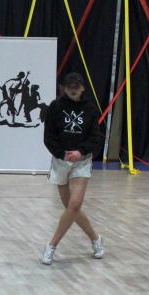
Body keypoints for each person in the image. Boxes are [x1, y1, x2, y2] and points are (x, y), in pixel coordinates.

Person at [41, 71, 105, 265]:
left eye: (77, 86)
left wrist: (80, 151)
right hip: (60, 161)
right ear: (64, 88)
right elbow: (48, 136)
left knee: (75, 205)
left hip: (82, 161)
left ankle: (52, 245)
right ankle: (96, 239)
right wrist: (61, 154)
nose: (73, 89)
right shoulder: (55, 107)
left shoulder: (90, 109)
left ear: (83, 88)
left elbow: (94, 137)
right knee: (70, 208)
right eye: (70, 86)